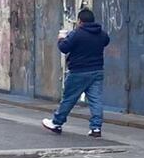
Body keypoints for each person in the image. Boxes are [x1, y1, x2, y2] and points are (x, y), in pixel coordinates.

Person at [42, 8, 110, 138]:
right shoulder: (101, 33)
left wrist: (61, 38)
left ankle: (57, 123)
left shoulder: (77, 33)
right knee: (96, 100)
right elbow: (106, 41)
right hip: (97, 71)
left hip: (78, 72)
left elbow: (64, 48)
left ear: (80, 21)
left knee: (69, 98)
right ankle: (96, 128)